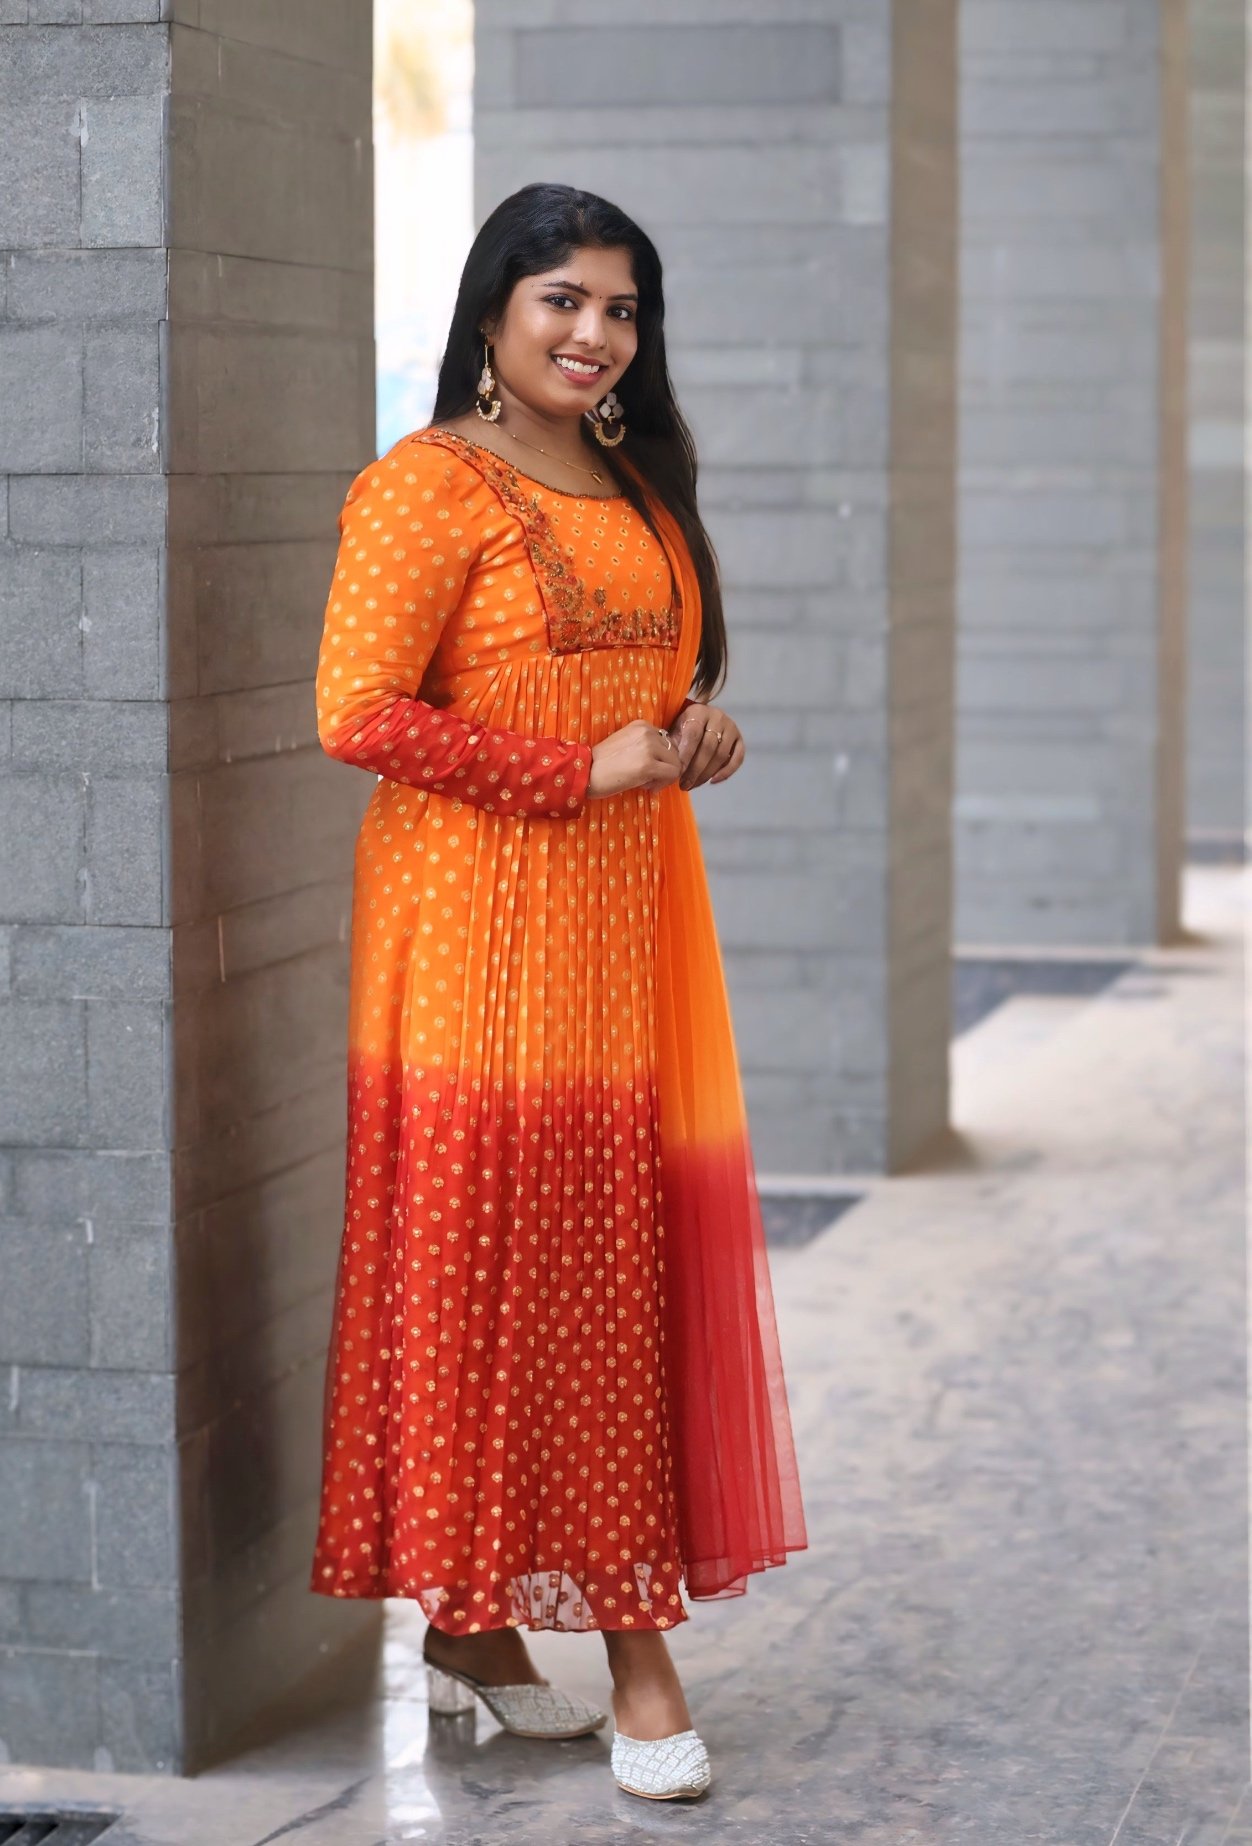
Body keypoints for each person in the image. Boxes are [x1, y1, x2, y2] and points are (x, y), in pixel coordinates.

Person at [310, 181, 807, 1804]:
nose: (596, 335)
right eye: (564, 302)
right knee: (506, 1269)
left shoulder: (638, 480)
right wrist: (570, 769)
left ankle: (473, 1628)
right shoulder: (425, 485)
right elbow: (355, 711)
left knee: (605, 1265)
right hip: (474, 938)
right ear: (492, 315)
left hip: (619, 931)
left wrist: (693, 730)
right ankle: (637, 1656)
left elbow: (650, 688)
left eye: (621, 309)